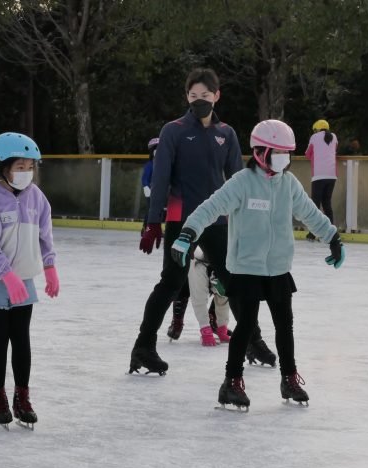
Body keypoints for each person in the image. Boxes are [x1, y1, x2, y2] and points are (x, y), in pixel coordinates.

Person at [171, 119, 346, 410]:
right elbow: (210, 208)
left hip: (278, 267)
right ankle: (232, 382)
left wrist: (332, 237)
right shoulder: (241, 182)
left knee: (284, 326)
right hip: (246, 268)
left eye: (287, 153)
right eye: (278, 152)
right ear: (260, 152)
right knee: (247, 325)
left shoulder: (288, 183)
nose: (284, 159)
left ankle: (289, 379)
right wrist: (187, 234)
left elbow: (309, 213)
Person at [130, 67, 273, 375]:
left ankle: (253, 341)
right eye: (193, 96)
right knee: (171, 282)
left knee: (234, 282)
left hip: (219, 220)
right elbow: (161, 180)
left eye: (205, 96)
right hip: (183, 220)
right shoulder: (174, 130)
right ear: (187, 97)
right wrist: (153, 221)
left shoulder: (227, 134)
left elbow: (239, 181)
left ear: (216, 96)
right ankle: (143, 347)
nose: (199, 101)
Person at [0, 132, 58, 429]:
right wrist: (6, 274)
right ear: (2, 166)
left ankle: (22, 397)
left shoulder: (36, 198)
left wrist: (50, 266)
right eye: (19, 166)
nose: (26, 172)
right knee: (0, 339)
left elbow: (45, 235)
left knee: (22, 339)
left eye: (30, 166)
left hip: (24, 280)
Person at [141, 136, 190, 342]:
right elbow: (155, 193)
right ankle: (174, 321)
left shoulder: (184, 166)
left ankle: (243, 332)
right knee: (175, 278)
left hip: (203, 221)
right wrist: (151, 224)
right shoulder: (156, 167)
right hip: (176, 220)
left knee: (220, 277)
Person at [188, 248, 232, 347]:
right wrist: (205, 329)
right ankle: (206, 329)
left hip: (224, 263)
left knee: (224, 296)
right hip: (199, 262)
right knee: (198, 295)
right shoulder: (198, 266)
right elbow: (198, 300)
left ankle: (221, 328)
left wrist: (222, 328)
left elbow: (224, 297)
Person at [304, 119, 338, 241]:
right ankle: (332, 233)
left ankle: (312, 234)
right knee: (327, 204)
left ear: (316, 129)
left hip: (318, 175)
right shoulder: (334, 137)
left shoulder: (314, 137)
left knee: (315, 205)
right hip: (332, 175)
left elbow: (307, 154)